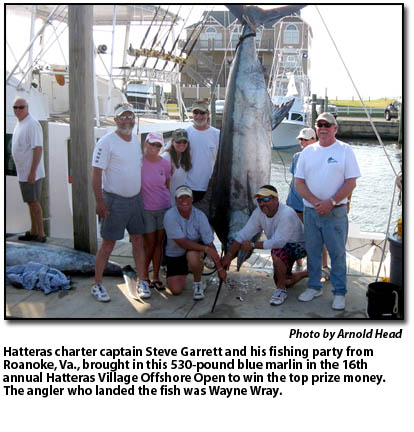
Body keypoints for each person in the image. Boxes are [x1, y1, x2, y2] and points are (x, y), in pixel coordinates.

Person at [295, 112, 361, 310]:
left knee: (337, 253)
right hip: (311, 212)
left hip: (336, 213)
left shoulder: (345, 150)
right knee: (313, 251)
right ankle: (314, 286)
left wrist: (331, 202)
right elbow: (299, 183)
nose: (323, 127)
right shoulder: (307, 152)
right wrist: (316, 202)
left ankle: (340, 291)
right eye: (319, 124)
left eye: (327, 124)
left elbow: (351, 182)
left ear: (335, 128)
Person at [91, 102, 148, 302]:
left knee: (138, 241)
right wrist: (99, 201)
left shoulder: (135, 140)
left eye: (130, 117)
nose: (127, 121)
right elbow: (96, 173)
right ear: (115, 120)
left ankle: (142, 281)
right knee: (108, 244)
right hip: (114, 201)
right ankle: (97, 284)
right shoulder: (106, 142)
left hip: (136, 200)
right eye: (122, 117)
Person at [221, 185, 307, 306]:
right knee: (286, 281)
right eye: (260, 200)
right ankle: (306, 273)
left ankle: (280, 290)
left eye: (266, 199)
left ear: (276, 199)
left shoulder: (286, 214)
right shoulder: (259, 213)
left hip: (300, 246)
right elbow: (242, 235)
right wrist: (228, 256)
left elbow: (278, 242)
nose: (262, 204)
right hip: (284, 246)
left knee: (276, 253)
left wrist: (252, 244)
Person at [163, 185, 226, 300]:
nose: (184, 200)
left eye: (187, 197)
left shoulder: (200, 216)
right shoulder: (170, 216)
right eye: (181, 198)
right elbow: (183, 243)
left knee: (192, 255)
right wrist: (206, 249)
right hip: (175, 253)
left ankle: (198, 283)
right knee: (175, 290)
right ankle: (188, 268)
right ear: (176, 200)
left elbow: (210, 244)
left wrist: (220, 269)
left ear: (192, 199)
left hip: (194, 253)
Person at [286, 127, 329, 275]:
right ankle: (297, 262)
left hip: (309, 205)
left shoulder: (321, 157)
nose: (303, 142)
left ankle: (324, 266)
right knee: (293, 233)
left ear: (314, 140)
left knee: (316, 236)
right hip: (293, 202)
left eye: (306, 139)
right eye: (301, 139)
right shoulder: (296, 156)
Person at [11, 97, 46, 242]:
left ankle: (41, 234)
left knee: (34, 202)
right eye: (15, 107)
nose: (18, 110)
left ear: (27, 108)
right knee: (30, 202)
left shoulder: (32, 124)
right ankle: (33, 231)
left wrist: (32, 171)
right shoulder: (20, 123)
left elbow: (38, 148)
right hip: (23, 172)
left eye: (21, 107)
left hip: (31, 172)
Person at [141, 131, 171, 291]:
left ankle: (155, 277)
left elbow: (167, 183)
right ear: (146, 143)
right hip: (146, 209)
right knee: (149, 244)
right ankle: (143, 275)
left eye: (158, 145)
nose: (155, 147)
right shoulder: (138, 162)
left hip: (163, 207)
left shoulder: (165, 164)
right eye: (152, 144)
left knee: (159, 244)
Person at [185, 99, 220, 203]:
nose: (199, 116)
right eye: (196, 112)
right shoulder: (185, 133)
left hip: (211, 187)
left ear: (208, 114)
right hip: (188, 186)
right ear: (192, 114)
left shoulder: (218, 134)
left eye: (202, 112)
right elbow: (169, 154)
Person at [162, 128, 192, 201]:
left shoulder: (184, 156)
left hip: (180, 200)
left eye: (184, 142)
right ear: (172, 142)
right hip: (168, 201)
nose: (182, 144)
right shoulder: (166, 157)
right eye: (178, 141)